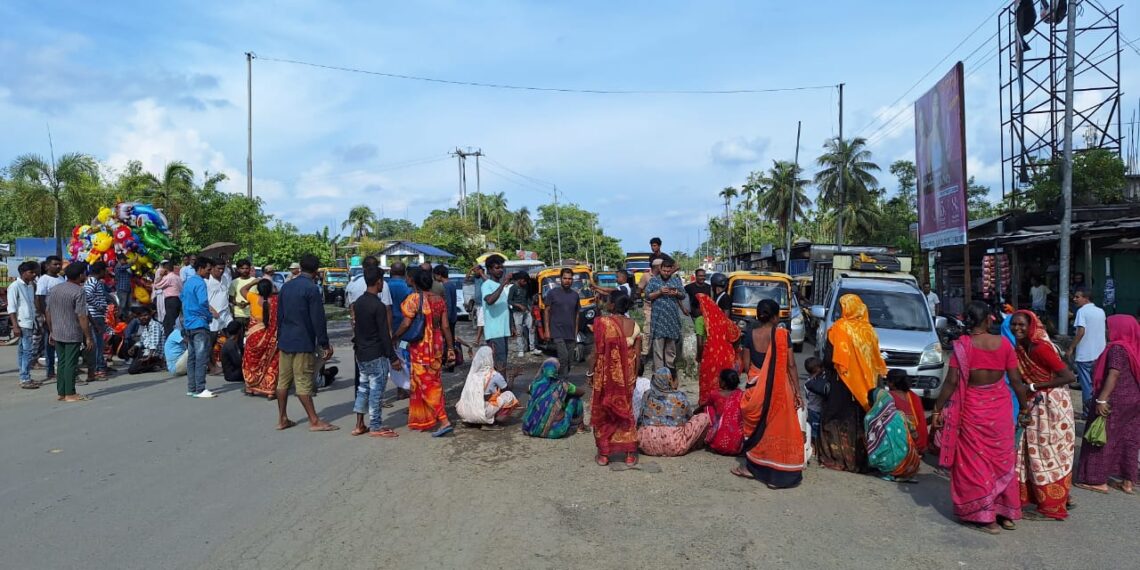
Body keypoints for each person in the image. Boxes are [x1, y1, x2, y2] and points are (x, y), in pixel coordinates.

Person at [932, 301, 1030, 535]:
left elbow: (951, 382)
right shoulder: (1005, 344)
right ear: (988, 320)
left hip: (972, 411)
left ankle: (985, 517)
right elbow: (1016, 381)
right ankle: (1005, 514)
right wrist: (1024, 408)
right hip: (1000, 411)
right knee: (1002, 461)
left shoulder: (963, 347)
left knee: (976, 464)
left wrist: (937, 409)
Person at [1007, 310, 1076, 520]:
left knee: (1047, 452)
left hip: (1051, 403)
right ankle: (1053, 497)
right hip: (1036, 402)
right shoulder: (1021, 347)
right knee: (1032, 451)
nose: (1017, 328)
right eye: (1014, 324)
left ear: (1032, 326)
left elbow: (1068, 376)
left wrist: (1036, 385)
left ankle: (1054, 504)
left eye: (1021, 325)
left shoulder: (1039, 348)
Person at [731, 299, 803, 488]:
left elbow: (746, 366)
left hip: (755, 389)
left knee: (756, 430)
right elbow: (791, 365)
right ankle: (777, 476)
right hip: (779, 388)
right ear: (775, 316)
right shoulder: (781, 334)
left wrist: (759, 378)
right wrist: (797, 391)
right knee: (778, 428)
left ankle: (752, 468)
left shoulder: (750, 334)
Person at [818, 294, 887, 473]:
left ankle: (837, 457)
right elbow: (874, 360)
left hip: (841, 383)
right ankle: (858, 460)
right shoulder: (869, 331)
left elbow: (828, 360)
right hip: (866, 386)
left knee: (834, 418)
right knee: (860, 420)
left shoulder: (839, 329)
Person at [1075, 315, 1140, 495]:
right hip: (1134, 399)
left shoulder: (1117, 348)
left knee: (1100, 436)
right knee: (1129, 438)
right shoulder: (1134, 347)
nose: (1106, 330)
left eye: (1109, 327)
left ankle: (1097, 481)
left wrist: (1102, 399)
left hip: (1115, 399)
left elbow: (1114, 374)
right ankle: (1128, 481)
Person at [275, 254, 337, 431]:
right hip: (303, 341)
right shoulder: (311, 289)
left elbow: (279, 316)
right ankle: (314, 421)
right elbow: (318, 319)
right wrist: (325, 344)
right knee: (303, 381)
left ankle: (282, 418)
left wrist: (280, 336)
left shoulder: (286, 287)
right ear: (316, 271)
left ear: (300, 267)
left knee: (283, 381)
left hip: (286, 340)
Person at [394, 268, 454, 437]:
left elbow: (406, 324)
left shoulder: (413, 299)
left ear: (414, 281)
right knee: (433, 381)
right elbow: (445, 327)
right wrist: (450, 348)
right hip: (436, 345)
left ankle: (443, 420)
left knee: (425, 383)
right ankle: (424, 419)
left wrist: (394, 337)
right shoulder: (439, 300)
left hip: (421, 347)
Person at [591, 294, 641, 466]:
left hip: (606, 375)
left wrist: (590, 373)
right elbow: (638, 354)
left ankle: (604, 455)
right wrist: (634, 375)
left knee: (604, 411)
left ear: (612, 305)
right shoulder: (634, 325)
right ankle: (629, 455)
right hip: (627, 376)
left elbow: (597, 352)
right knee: (626, 411)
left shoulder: (603, 323)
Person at [351, 266, 401, 438]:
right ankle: (376, 426)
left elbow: (357, 329)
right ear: (379, 281)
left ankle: (359, 424)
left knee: (363, 388)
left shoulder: (358, 303)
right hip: (376, 354)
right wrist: (393, 357)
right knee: (376, 391)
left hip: (361, 353)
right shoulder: (378, 306)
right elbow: (384, 335)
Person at [44, 262, 93, 402]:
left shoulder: (55, 289)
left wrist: (51, 330)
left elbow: (48, 312)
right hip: (72, 332)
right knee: (71, 363)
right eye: (84, 273)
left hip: (57, 331)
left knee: (62, 362)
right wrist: (88, 336)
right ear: (80, 275)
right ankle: (70, 393)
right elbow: (82, 316)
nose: (85, 275)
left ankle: (62, 392)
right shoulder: (79, 291)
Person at [636, 367, 711, 457]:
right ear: (671, 380)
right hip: (674, 445)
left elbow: (641, 418)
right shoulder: (680, 396)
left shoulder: (647, 394)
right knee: (704, 417)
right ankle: (697, 445)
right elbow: (689, 417)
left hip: (647, 445)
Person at [865, 383, 921, 482]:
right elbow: (915, 435)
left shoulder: (871, 418)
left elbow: (869, 440)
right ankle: (903, 472)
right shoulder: (900, 414)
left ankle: (890, 470)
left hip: (889, 466)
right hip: (911, 463)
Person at [521, 358, 586, 438]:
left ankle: (536, 422)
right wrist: (564, 394)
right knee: (575, 399)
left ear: (543, 370)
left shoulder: (535, 384)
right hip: (555, 431)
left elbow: (527, 390)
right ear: (556, 371)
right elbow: (582, 392)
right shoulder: (563, 384)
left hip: (531, 429)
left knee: (533, 398)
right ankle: (580, 427)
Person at [457, 346, 520, 428]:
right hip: (483, 412)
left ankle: (472, 421)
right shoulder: (494, 375)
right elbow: (507, 389)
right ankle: (492, 421)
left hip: (464, 412)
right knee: (509, 395)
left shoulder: (472, 374)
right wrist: (512, 376)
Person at [696, 292, 740, 407]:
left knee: (708, 384)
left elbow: (700, 344)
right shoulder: (723, 319)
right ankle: (728, 408)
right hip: (726, 356)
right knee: (726, 384)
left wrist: (699, 357)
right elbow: (737, 334)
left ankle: (708, 409)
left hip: (710, 357)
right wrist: (734, 352)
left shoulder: (700, 320)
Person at [1068, 288, 1106, 418]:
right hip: (1100, 354)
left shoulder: (1082, 311)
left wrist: (1071, 347)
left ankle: (1087, 413)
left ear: (1086, 298)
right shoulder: (1100, 311)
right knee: (1097, 383)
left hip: (1085, 355)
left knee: (1086, 386)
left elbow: (1081, 332)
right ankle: (1098, 409)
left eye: (1077, 297)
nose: (1074, 299)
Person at [644, 257, 685, 377]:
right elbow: (647, 296)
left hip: (672, 321)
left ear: (672, 270)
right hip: (658, 321)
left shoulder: (676, 281)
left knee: (671, 350)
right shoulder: (654, 281)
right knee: (658, 350)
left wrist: (676, 293)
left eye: (668, 271)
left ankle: (670, 374)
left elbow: (683, 295)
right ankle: (659, 375)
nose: (666, 273)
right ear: (660, 269)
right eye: (664, 271)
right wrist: (659, 292)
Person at [181, 257, 215, 398]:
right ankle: (200, 388)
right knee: (201, 357)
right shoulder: (200, 283)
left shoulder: (188, 282)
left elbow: (182, 299)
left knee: (192, 357)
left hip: (189, 323)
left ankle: (192, 388)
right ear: (201, 268)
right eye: (208, 269)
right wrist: (208, 316)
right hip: (199, 323)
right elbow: (203, 303)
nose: (210, 272)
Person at [242, 279, 280, 398]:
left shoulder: (253, 297)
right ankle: (269, 390)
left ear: (258, 289)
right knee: (271, 361)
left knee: (251, 361)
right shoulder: (276, 301)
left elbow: (242, 290)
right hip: (270, 336)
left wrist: (254, 282)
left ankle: (250, 387)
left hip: (254, 337)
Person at [544, 267, 580, 381]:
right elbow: (546, 311)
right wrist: (547, 330)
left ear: (572, 280)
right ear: (560, 279)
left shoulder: (575, 295)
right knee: (563, 357)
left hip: (570, 332)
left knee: (570, 360)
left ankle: (561, 378)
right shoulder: (552, 293)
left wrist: (576, 332)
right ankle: (562, 382)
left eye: (570, 279)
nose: (567, 281)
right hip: (557, 331)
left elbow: (577, 314)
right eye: (565, 278)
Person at [9, 261, 40, 389]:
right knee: (27, 351)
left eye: (35, 272)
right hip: (22, 322)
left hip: (30, 321)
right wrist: (15, 326)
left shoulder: (30, 286)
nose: (34, 275)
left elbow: (32, 305)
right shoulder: (15, 286)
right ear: (23, 273)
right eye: (31, 272)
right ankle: (25, 378)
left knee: (23, 350)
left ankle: (24, 376)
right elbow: (12, 308)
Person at [34, 255, 66, 381]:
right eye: (55, 264)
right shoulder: (44, 279)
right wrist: (45, 316)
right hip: (49, 316)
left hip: (62, 315)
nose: (58, 266)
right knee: (50, 344)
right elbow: (40, 299)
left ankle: (62, 368)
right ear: (47, 266)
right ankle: (50, 371)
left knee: (60, 342)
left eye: (59, 264)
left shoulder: (61, 278)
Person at [82, 261, 115, 380]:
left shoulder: (95, 282)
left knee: (100, 343)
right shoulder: (92, 281)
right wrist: (99, 306)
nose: (106, 273)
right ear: (100, 271)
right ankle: (98, 369)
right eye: (105, 270)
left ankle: (100, 366)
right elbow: (87, 295)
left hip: (98, 315)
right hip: (95, 316)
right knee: (97, 344)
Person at [386, 262, 413, 399]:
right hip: (405, 330)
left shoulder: (385, 286)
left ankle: (400, 389)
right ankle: (408, 387)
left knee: (395, 358)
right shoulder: (408, 288)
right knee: (406, 358)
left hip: (389, 330)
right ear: (404, 273)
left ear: (391, 271)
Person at [481, 255, 512, 371]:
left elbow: (505, 308)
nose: (500, 270)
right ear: (489, 270)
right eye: (497, 268)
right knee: (500, 364)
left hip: (502, 331)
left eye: (501, 268)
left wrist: (511, 326)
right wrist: (503, 284)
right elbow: (489, 300)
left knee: (502, 363)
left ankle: (501, 388)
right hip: (494, 332)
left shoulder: (498, 286)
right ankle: (501, 388)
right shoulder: (487, 285)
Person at [887, 369, 928, 455]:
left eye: (888, 380)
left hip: (909, 444)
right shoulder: (914, 396)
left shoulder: (889, 396)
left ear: (891, 383)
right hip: (921, 444)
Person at [705, 369, 745, 455]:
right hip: (738, 444)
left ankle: (712, 435)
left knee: (708, 407)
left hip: (719, 443)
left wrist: (695, 412)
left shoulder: (715, 394)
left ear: (723, 382)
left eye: (720, 379)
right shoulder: (741, 394)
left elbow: (705, 405)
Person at [207, 262, 233, 375]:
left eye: (223, 269)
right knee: (210, 343)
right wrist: (212, 311)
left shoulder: (225, 279)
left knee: (232, 338)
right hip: (213, 315)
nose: (221, 271)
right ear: (212, 268)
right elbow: (203, 300)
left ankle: (231, 363)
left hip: (226, 314)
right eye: (218, 268)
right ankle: (212, 367)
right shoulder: (206, 281)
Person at [122, 307, 164, 375]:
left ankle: (157, 364)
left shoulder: (154, 325)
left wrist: (148, 357)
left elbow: (154, 344)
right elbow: (142, 341)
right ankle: (148, 365)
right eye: (141, 316)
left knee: (132, 370)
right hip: (145, 351)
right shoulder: (146, 326)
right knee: (128, 345)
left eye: (145, 315)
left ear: (150, 315)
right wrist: (133, 347)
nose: (143, 317)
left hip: (155, 354)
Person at [685, 269, 713, 362]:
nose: (702, 278)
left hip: (706, 317)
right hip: (693, 316)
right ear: (696, 276)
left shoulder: (709, 288)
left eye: (704, 276)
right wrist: (685, 310)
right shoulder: (689, 287)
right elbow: (682, 299)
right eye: (700, 276)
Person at [508, 271, 537, 357]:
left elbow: (528, 298)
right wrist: (518, 305)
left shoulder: (526, 287)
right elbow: (509, 301)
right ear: (520, 280)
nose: (525, 283)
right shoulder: (513, 288)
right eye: (524, 281)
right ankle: (521, 349)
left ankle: (532, 348)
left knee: (531, 328)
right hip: (517, 313)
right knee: (519, 332)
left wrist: (530, 308)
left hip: (526, 311)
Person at [153, 260, 183, 338]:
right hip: (178, 300)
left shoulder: (168, 278)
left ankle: (171, 338)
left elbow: (156, 286)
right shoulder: (177, 277)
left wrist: (161, 276)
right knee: (167, 321)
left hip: (171, 300)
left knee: (171, 321)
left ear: (165, 269)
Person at [802, 357, 826, 444]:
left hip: (813, 409)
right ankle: (814, 446)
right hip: (815, 410)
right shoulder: (811, 384)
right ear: (817, 369)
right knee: (814, 431)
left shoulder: (809, 382)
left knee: (814, 429)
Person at [229, 259, 257, 333]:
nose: (245, 270)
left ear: (249, 269)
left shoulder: (255, 281)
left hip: (253, 314)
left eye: (246, 268)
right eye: (242, 268)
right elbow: (231, 298)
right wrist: (238, 304)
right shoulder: (234, 282)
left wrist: (248, 303)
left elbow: (258, 297)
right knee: (239, 338)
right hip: (239, 314)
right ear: (238, 269)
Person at [469, 264, 486, 345]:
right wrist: (470, 269)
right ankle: (486, 339)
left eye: (476, 270)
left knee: (480, 322)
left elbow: (487, 281)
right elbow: (466, 278)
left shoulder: (484, 277)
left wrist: (481, 273)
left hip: (484, 304)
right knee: (482, 322)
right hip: (478, 304)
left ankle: (477, 340)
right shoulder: (475, 278)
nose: (474, 272)